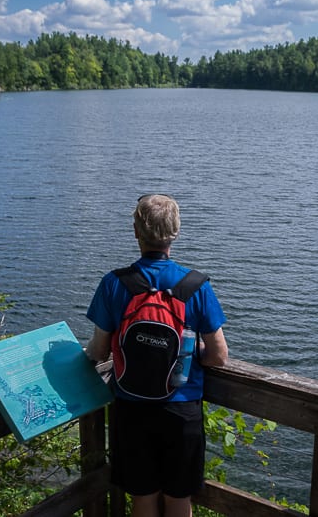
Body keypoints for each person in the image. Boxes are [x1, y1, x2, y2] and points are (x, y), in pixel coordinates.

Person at [86, 194, 228, 517]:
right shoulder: (196, 286)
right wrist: (190, 355)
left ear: (136, 231)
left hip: (132, 411)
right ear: (175, 233)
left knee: (143, 500)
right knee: (179, 501)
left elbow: (98, 350)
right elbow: (219, 356)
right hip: (181, 410)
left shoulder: (113, 284)